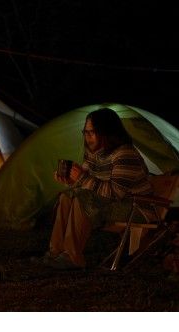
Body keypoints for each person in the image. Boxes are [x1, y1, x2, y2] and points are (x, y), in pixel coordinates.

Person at [45, 108, 152, 270]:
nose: (87, 137)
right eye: (85, 132)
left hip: (137, 207)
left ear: (107, 132)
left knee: (82, 198)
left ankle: (72, 256)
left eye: (92, 132)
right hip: (111, 204)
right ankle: (56, 252)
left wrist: (81, 178)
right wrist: (70, 181)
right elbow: (88, 185)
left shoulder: (124, 154)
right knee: (67, 196)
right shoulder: (94, 154)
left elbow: (115, 193)